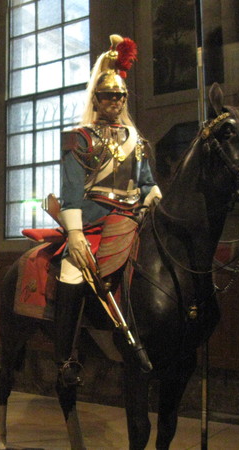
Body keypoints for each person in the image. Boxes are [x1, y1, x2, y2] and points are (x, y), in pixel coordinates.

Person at [55, 34, 162, 385]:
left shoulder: (137, 140)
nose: (114, 101)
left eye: (119, 96)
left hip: (133, 217)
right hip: (93, 217)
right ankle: (66, 357)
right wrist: (74, 232)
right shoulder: (79, 138)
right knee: (72, 270)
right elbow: (71, 190)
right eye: (107, 95)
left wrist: (153, 197)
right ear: (97, 99)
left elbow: (145, 182)